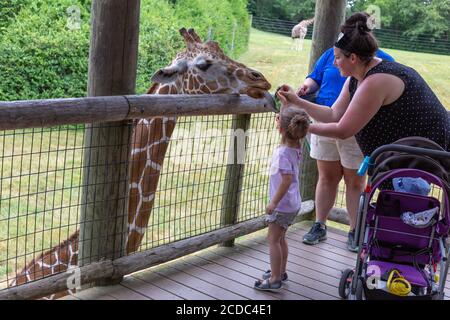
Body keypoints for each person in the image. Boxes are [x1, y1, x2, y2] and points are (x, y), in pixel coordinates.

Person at [277, 12, 450, 249]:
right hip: (405, 154)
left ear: (353, 58)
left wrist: (296, 127)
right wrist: (297, 101)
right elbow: (333, 114)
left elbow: (343, 129)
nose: (334, 62)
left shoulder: (375, 81)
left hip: (429, 154)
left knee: (409, 221)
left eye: (338, 57)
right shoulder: (357, 78)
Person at [297, 12, 395, 252]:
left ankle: (354, 230)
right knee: (326, 177)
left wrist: (298, 126)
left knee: (355, 181)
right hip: (325, 118)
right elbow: (315, 77)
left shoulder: (378, 60)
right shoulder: (333, 53)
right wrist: (306, 87)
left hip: (355, 127)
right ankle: (319, 225)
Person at [254, 107, 310, 291]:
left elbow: (286, 180)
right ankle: (281, 271)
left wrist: (273, 203)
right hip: (293, 202)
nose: (276, 120)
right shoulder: (296, 146)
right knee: (280, 238)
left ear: (282, 129)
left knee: (272, 240)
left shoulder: (283, 153)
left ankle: (275, 279)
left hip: (283, 205)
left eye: (278, 119)